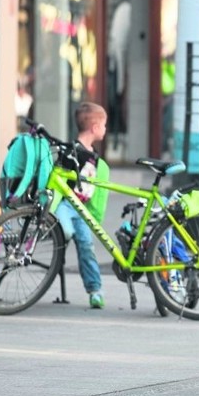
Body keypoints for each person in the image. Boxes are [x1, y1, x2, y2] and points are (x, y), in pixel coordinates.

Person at [55, 102, 110, 309]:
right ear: (95, 128)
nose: (105, 130)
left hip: (82, 209)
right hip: (66, 204)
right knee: (67, 232)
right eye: (104, 125)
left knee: (87, 247)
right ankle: (58, 242)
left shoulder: (94, 156)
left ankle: (95, 290)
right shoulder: (71, 151)